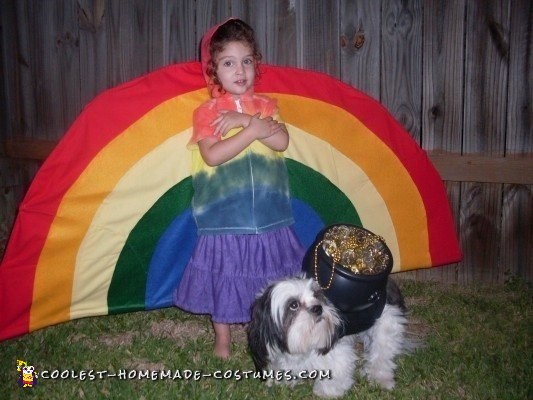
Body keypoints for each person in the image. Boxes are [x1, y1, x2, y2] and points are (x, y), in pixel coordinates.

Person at [173, 18, 304, 359]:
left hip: (270, 213)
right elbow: (214, 156)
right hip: (224, 215)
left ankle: (274, 330)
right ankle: (223, 339)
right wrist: (252, 131)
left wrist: (248, 121)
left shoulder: (267, 106)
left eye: (247, 61)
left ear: (256, 64)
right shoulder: (207, 112)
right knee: (226, 275)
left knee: (272, 276)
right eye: (228, 63)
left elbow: (282, 141)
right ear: (213, 70)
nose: (240, 70)